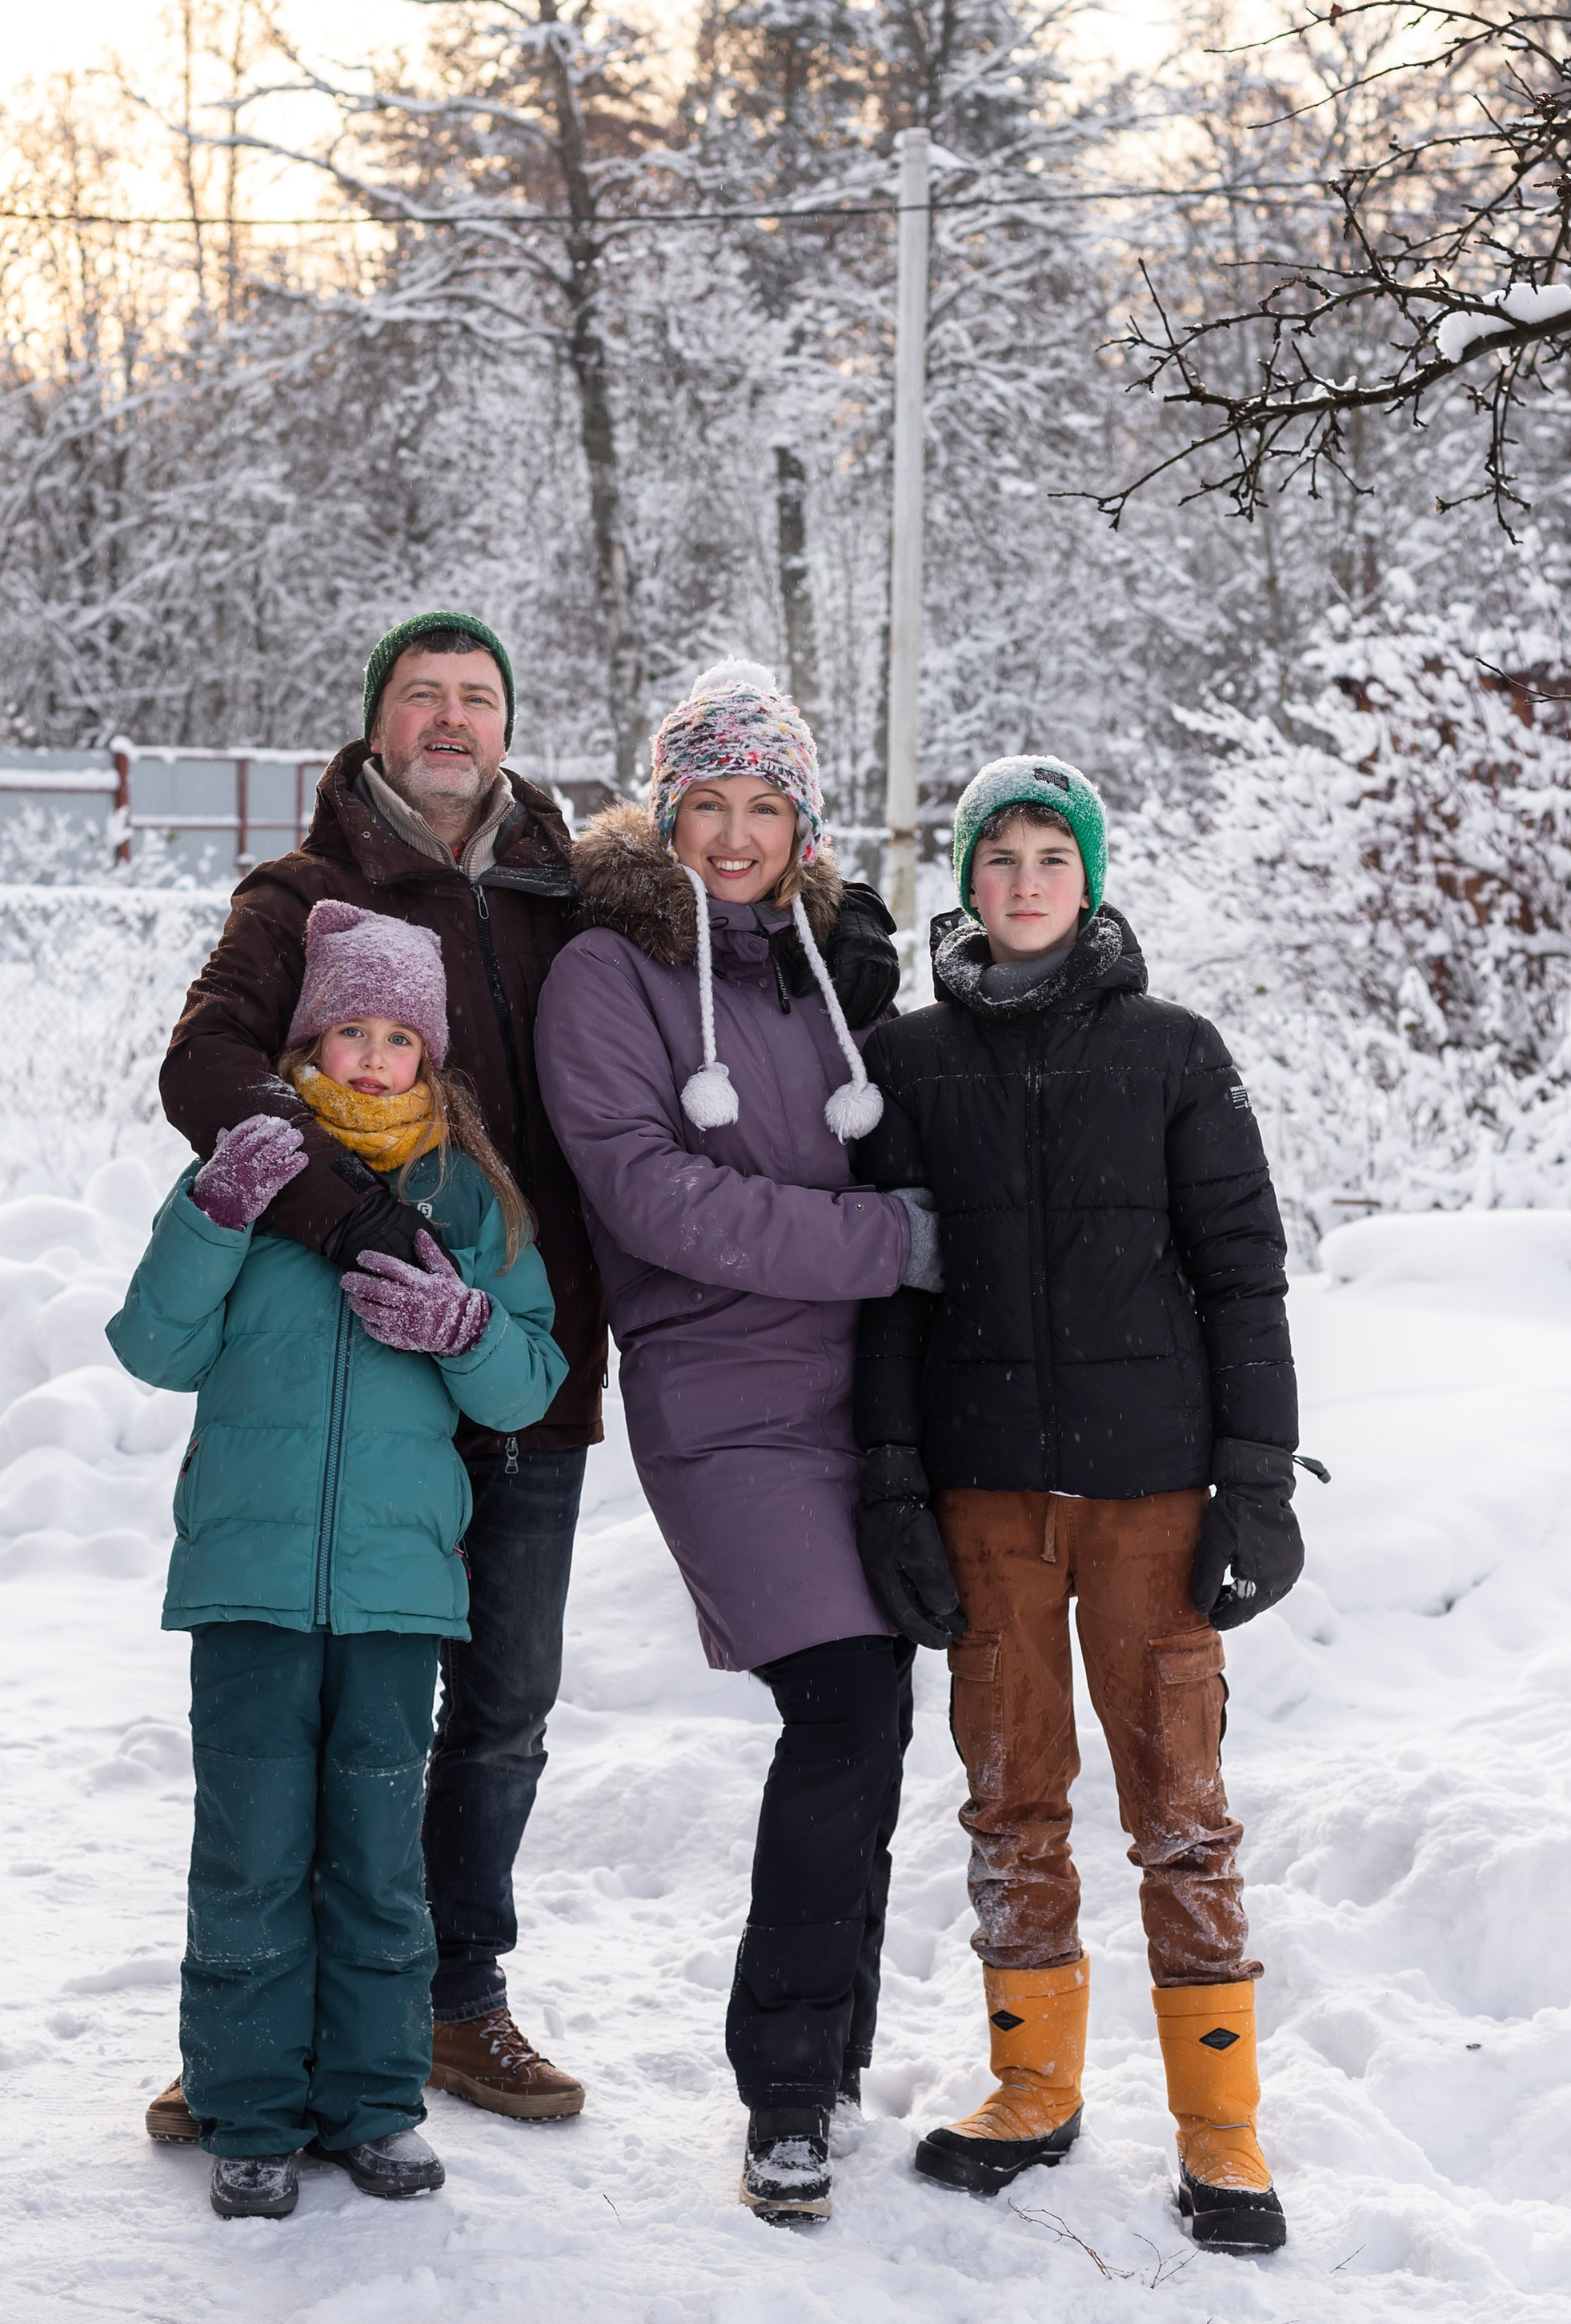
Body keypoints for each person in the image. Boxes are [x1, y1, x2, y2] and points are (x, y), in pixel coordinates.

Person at [151, 611, 602, 2134]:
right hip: (339, 1351)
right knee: (291, 1734)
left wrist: (837, 933)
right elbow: (205, 1067)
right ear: (378, 721)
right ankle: (257, 2028)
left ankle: (450, 2002)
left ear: (508, 725)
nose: (452, 720)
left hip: (523, 1350)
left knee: (501, 1705)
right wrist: (353, 1225)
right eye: (424, 696)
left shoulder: (569, 890)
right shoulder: (299, 896)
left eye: (478, 697)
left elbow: (724, 955)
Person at [852, 756, 1304, 2256]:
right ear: (968, 882)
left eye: (1055, 855)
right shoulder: (908, 1062)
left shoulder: (1174, 1052)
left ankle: (1222, 2126)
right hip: (983, 1493)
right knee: (1009, 1796)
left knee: (1180, 1808)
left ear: (1091, 878)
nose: (1028, 880)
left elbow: (1243, 1272)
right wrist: (894, 1480)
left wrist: (1255, 1479)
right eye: (1002, 856)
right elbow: (890, 1295)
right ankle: (1031, 2085)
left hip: (1148, 1494)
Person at [533, 661, 936, 2225]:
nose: (736, 833)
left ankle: (831, 2062)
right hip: (720, 1393)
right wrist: (887, 1246)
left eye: (767, 804)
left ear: (801, 822)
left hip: (869, 1388)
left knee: (879, 1709)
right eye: (707, 801)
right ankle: (781, 2088)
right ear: (665, 811)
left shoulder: (822, 965)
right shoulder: (608, 971)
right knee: (837, 1704)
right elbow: (652, 1197)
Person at [108, 902, 566, 2221]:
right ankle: (249, 2110)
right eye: (348, 1031)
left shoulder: (467, 1198)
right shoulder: (253, 1175)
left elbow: (527, 1384)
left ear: (431, 1058)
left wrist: (465, 1326)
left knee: (376, 1859)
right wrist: (214, 1214)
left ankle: (372, 2104)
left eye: (397, 1037)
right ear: (308, 1043)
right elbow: (153, 1348)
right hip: (248, 1582)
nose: (371, 1057)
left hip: (395, 1594)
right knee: (249, 1856)